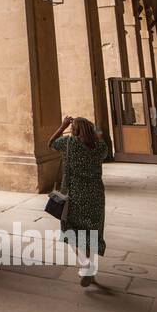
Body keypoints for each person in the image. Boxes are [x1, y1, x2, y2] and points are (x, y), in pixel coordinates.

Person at [48, 115, 109, 288]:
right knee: (92, 233)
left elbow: (50, 143)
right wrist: (94, 130)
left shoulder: (68, 143)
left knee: (71, 231)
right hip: (96, 195)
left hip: (74, 195)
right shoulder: (100, 146)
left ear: (73, 130)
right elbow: (100, 137)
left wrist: (62, 126)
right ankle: (90, 268)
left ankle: (86, 265)